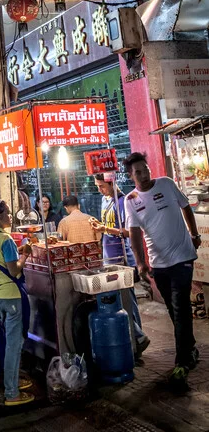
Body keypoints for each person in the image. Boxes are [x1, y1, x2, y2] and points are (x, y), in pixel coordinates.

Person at [124, 152, 201, 393]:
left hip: (182, 257)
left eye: (145, 169)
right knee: (173, 308)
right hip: (159, 264)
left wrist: (194, 234)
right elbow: (134, 232)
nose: (144, 174)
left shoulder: (167, 184)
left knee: (180, 308)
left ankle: (182, 363)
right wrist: (140, 262)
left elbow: (186, 207)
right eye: (138, 172)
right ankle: (190, 348)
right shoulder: (131, 199)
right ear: (131, 176)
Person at [0, 199, 34, 406]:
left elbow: (3, 263)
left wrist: (18, 254)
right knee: (14, 346)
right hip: (11, 297)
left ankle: (12, 382)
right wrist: (26, 256)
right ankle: (11, 393)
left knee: (10, 344)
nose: (11, 216)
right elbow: (15, 270)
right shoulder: (6, 239)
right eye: (8, 213)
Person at [91, 173, 149, 356]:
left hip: (124, 259)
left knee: (129, 301)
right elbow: (107, 225)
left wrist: (105, 229)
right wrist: (99, 226)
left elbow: (130, 232)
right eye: (97, 186)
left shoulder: (122, 201)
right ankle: (132, 338)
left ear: (112, 184)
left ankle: (139, 338)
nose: (100, 189)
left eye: (102, 186)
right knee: (118, 302)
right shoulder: (104, 200)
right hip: (109, 258)